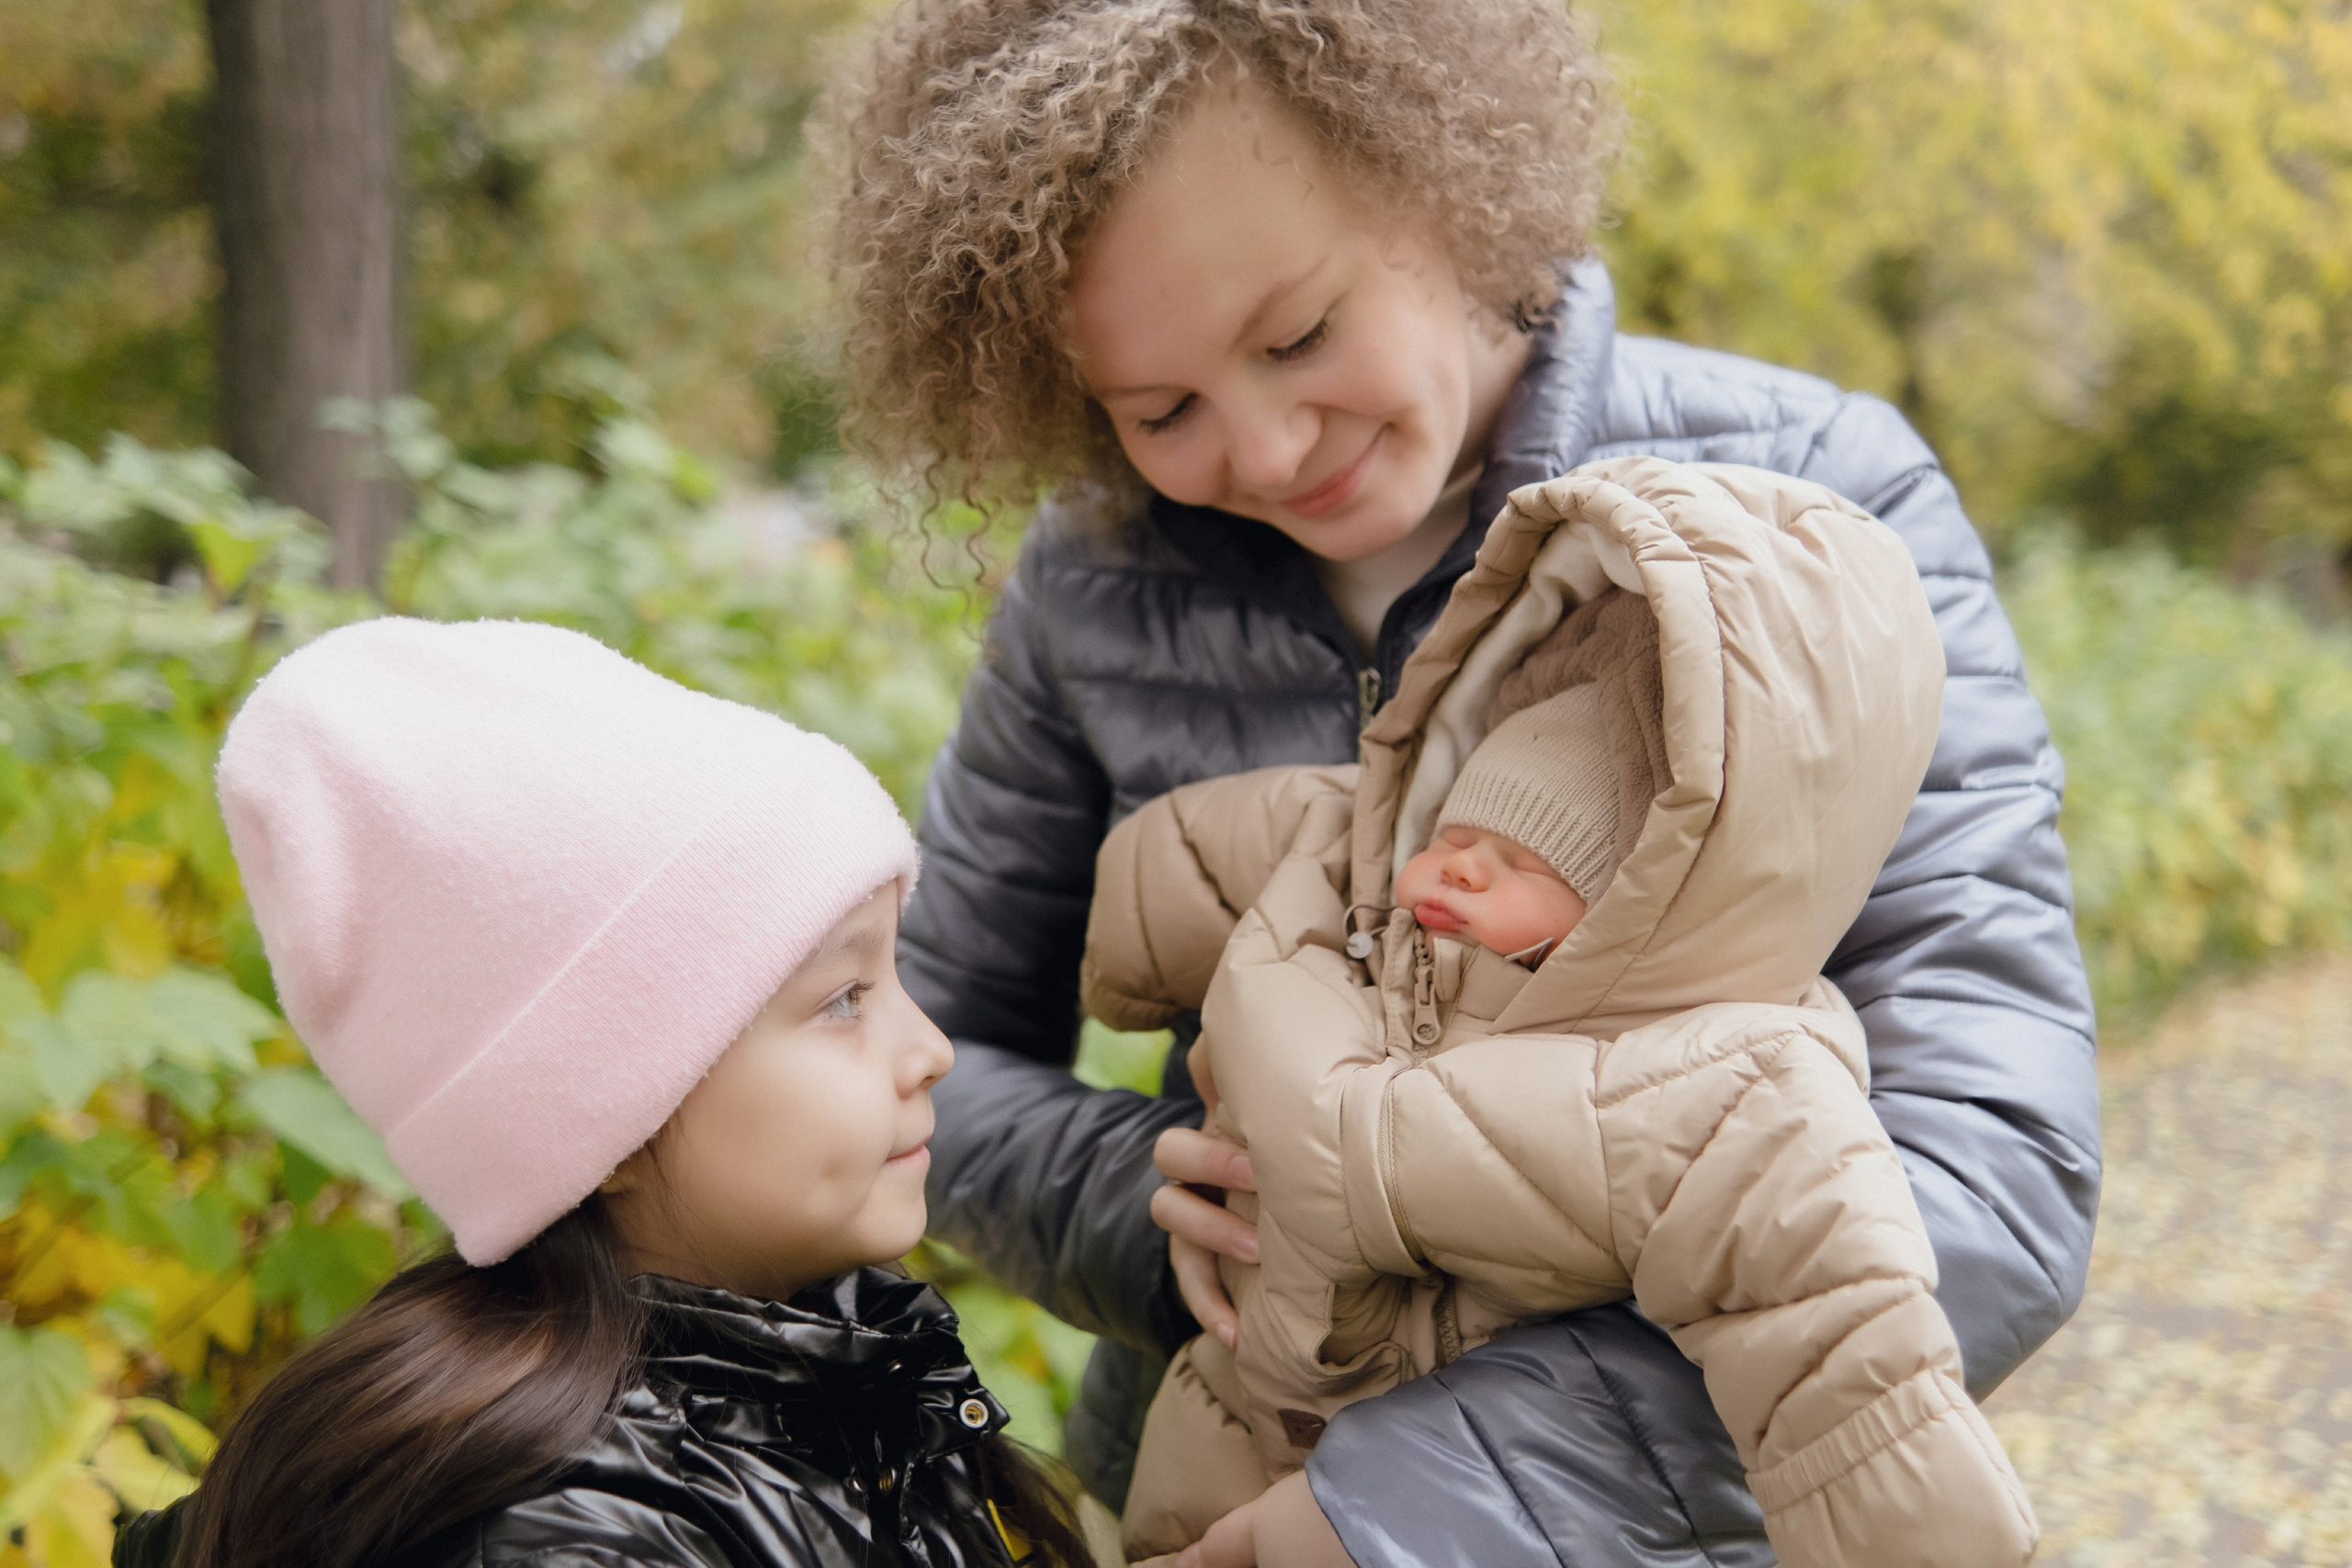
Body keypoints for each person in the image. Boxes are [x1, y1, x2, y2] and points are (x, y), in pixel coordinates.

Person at [822, 2, 2099, 1562]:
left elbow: (1995, 1154)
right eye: (1160, 412)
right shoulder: (1091, 582)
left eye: (1298, 335)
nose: (1274, 444)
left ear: (1436, 178)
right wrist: (1154, 1207)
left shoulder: (1819, 503)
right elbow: (935, 1052)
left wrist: (1417, 1502)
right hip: (1200, 1490)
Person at [1085, 459, 2037, 1568]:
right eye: (1452, 838)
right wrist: (1120, 950)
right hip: (1218, 1431)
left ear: (1649, 899)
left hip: (1462, 1518)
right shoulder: (1345, 882)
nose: (1458, 873)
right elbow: (1189, 853)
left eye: (1522, 861)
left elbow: (1838, 1347)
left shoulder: (1721, 1088)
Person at [111, 618, 1101, 1568]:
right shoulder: (569, 1540)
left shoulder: (847, 1379)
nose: (929, 1049)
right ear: (605, 1127)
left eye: (895, 974)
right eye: (845, 999)